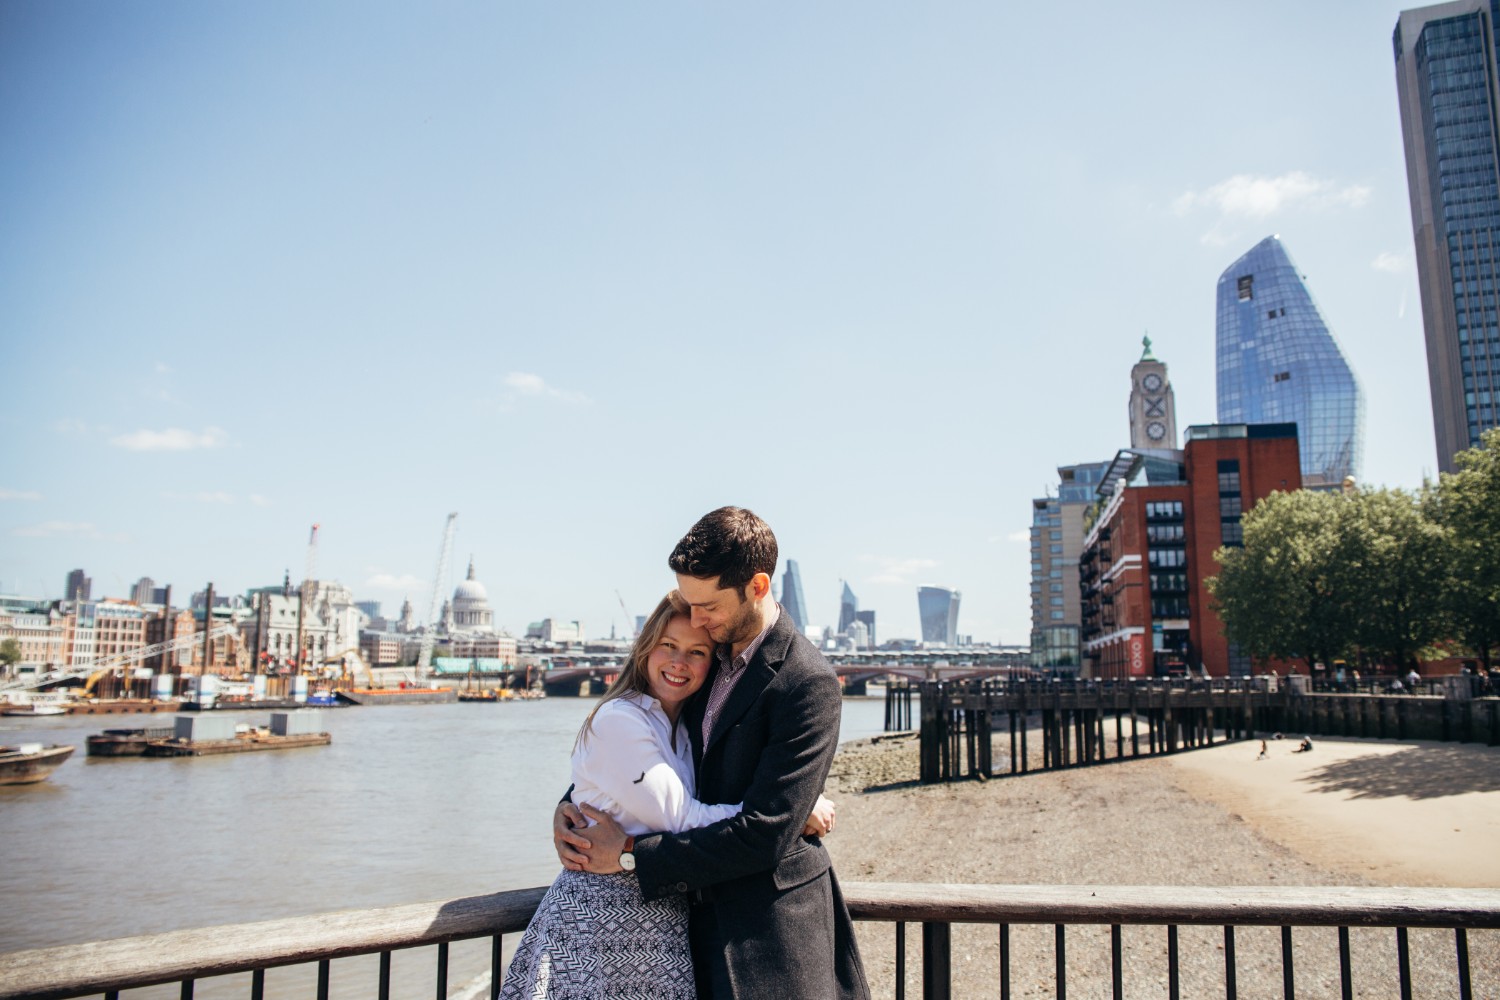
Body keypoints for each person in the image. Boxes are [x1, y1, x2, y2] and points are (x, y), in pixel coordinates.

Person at [555, 506, 870, 999]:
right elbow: (640, 757)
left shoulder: (807, 683)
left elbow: (766, 835)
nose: (696, 620)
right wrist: (571, 808)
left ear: (758, 587)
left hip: (768, 932)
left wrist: (631, 855)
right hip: (686, 924)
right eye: (688, 602)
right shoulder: (700, 660)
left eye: (709, 606)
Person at [502, 592, 834, 999]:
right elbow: (677, 816)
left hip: (662, 918)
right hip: (600, 919)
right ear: (646, 649)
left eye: (697, 652)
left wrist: (791, 803)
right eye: (668, 646)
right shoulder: (621, 718)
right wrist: (790, 814)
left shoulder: (683, 719)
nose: (679, 663)